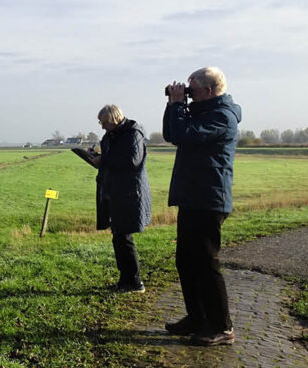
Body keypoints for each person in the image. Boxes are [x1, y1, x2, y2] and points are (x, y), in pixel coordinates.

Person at [162, 67, 241, 346]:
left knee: (206, 264)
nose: (188, 93)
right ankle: (197, 317)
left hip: (209, 198)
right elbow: (172, 133)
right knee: (186, 261)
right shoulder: (203, 111)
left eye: (191, 89)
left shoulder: (222, 116)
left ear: (208, 91)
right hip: (192, 197)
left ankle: (222, 325)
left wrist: (177, 105)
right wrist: (174, 104)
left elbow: (185, 134)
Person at [71, 104, 151, 294]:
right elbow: (113, 159)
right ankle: (126, 280)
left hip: (129, 192)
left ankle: (134, 282)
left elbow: (132, 161)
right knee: (118, 237)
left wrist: (104, 160)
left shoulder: (133, 134)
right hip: (114, 191)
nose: (102, 126)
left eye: (104, 122)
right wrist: (96, 158)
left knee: (124, 237)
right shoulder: (110, 137)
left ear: (114, 119)